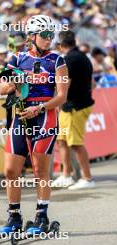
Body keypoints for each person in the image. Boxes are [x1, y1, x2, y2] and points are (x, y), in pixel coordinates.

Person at [0, 15, 69, 234]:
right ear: (32, 36)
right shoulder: (17, 58)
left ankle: (41, 215)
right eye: (45, 35)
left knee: (40, 170)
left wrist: (38, 108)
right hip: (21, 115)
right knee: (10, 170)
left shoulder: (57, 60)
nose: (49, 39)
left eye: (52, 35)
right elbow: (2, 89)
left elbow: (62, 97)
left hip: (44, 115)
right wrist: (14, 82)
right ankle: (14, 216)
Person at [52, 30, 96, 190]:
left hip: (74, 107)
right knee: (62, 141)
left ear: (61, 45)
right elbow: (93, 83)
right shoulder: (83, 56)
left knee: (76, 144)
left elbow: (65, 86)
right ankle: (66, 175)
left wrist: (56, 103)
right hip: (74, 105)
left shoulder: (69, 60)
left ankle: (88, 178)